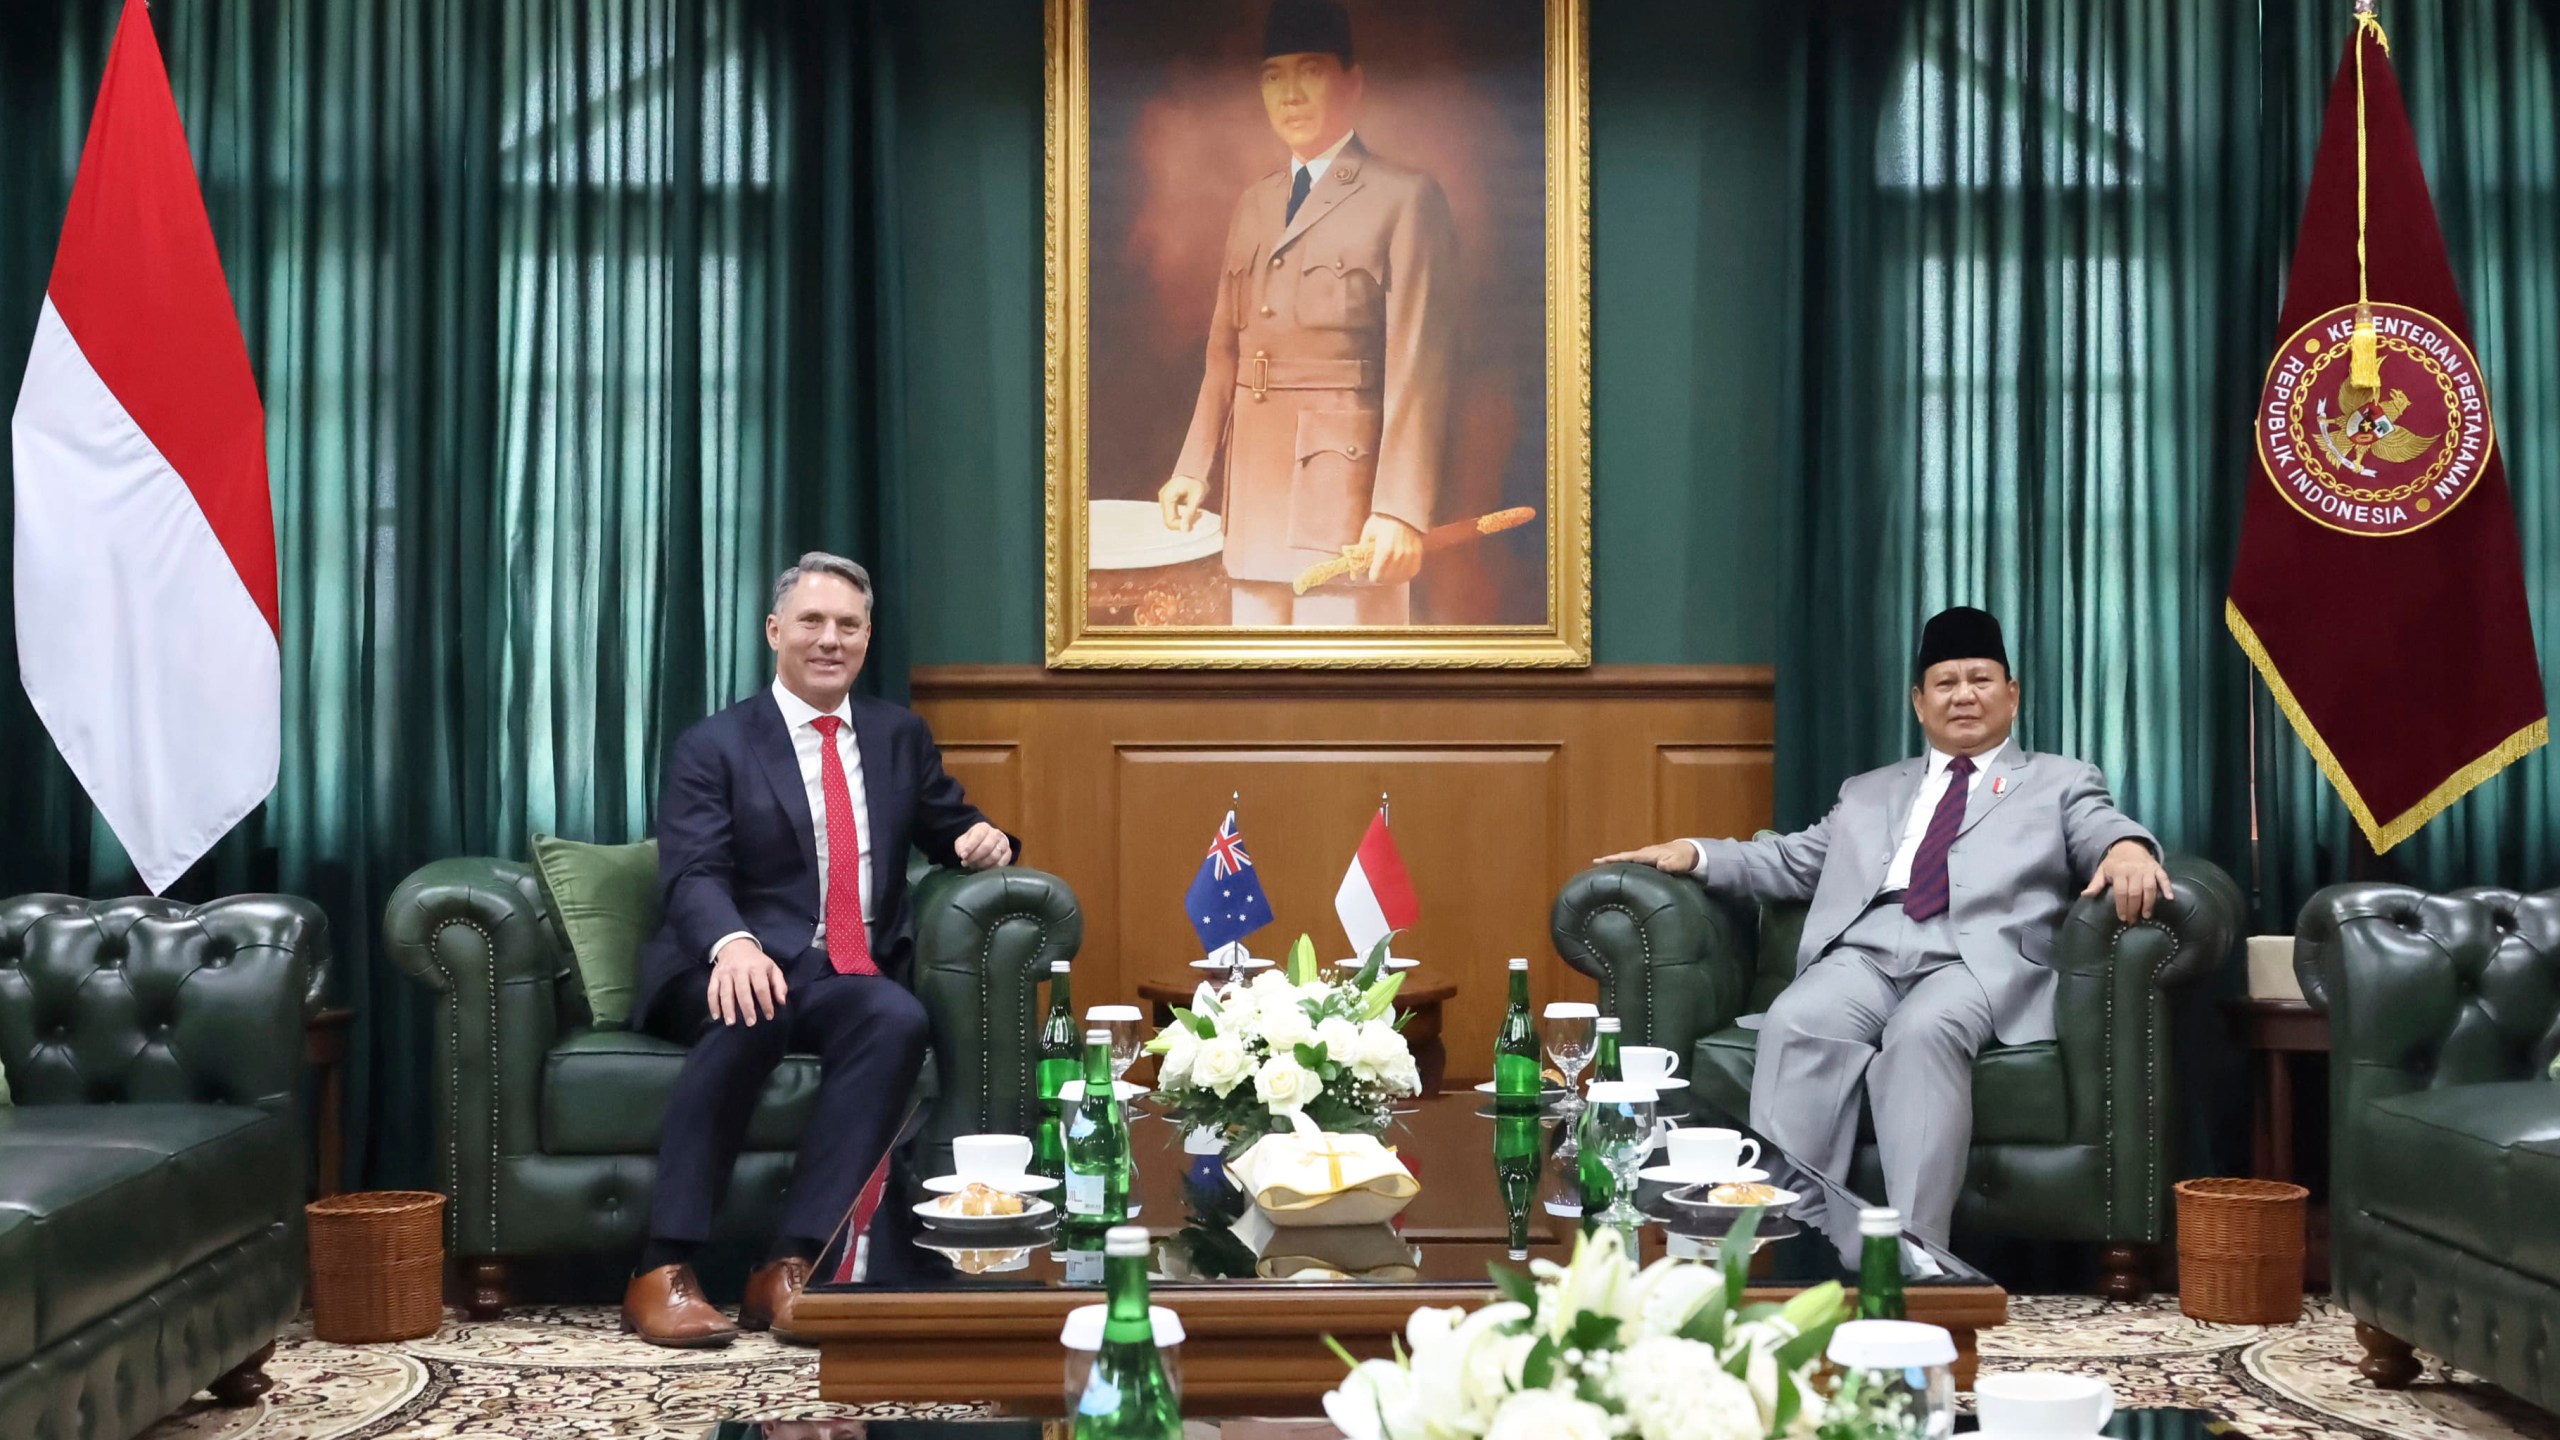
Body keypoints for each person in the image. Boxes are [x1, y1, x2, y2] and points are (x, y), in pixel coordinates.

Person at [1598, 607, 2171, 1248]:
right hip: (1866, 951)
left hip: (1974, 957)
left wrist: (2126, 849)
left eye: (1980, 679)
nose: (1964, 695)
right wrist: (1698, 854)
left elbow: (2098, 824)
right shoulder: (1869, 791)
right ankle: (1800, 1235)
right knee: (1797, 1020)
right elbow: (1792, 860)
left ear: (2011, 695)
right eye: (1945, 683)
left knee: (1921, 1036)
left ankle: (1914, 1258)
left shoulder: (2060, 780)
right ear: (1919, 703)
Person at [621, 552, 1018, 1347]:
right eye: (811, 621)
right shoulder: (717, 743)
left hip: (842, 972)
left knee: (897, 1019)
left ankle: (793, 1262)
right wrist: (731, 944)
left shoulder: (898, 736)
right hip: (726, 965)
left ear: (867, 640)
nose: (829, 638)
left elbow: (950, 822)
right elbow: (693, 872)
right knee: (752, 1009)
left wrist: (985, 840)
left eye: (848, 625)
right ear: (776, 632)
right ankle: (661, 1267)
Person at [1156, 0, 1457, 627]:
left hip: (1347, 509)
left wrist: (1399, 508)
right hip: (1255, 502)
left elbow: (1418, 368)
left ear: (1353, 82)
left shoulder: (1405, 199)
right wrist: (1193, 465)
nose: (1289, 94)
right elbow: (1224, 355)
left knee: (1346, 706)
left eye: (1311, 71)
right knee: (1255, 703)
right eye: (1273, 75)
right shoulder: (1255, 204)